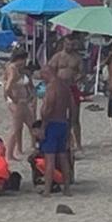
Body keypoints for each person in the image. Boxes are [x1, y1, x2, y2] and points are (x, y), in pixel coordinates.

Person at [37, 66, 74, 195]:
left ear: (47, 73)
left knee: (50, 159)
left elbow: (49, 107)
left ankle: (47, 190)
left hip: (52, 123)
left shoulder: (52, 87)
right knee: (63, 157)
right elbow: (72, 107)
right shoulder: (64, 87)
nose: (42, 79)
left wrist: (43, 126)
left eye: (43, 76)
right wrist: (70, 127)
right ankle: (67, 189)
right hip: (63, 123)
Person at [3, 50, 37, 161]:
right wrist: (13, 99)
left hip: (23, 101)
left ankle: (33, 147)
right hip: (17, 102)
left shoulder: (17, 69)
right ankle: (9, 154)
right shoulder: (13, 69)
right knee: (16, 128)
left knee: (32, 124)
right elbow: (7, 88)